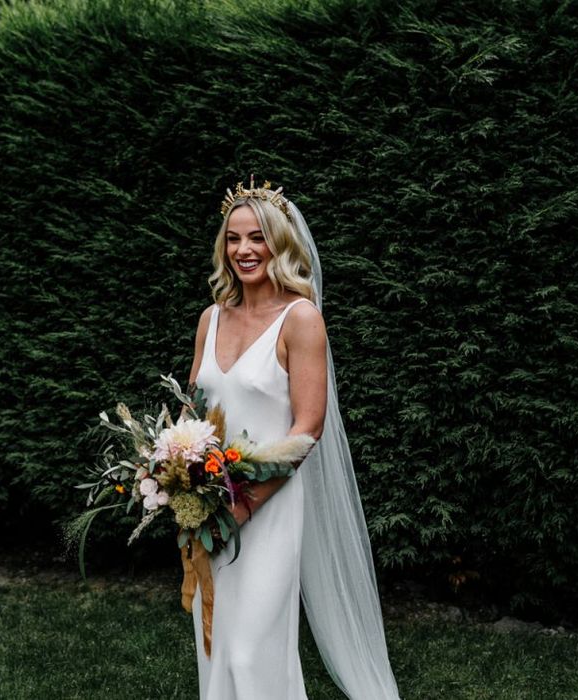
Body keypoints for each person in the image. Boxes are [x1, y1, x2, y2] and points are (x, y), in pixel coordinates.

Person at [187, 179, 400, 700]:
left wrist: (244, 504)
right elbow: (190, 411)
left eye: (256, 237)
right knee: (214, 643)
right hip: (207, 507)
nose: (243, 250)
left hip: (270, 506)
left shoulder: (300, 320)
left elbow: (308, 427)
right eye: (233, 239)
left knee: (252, 650)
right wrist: (173, 475)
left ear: (279, 243)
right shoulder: (210, 318)